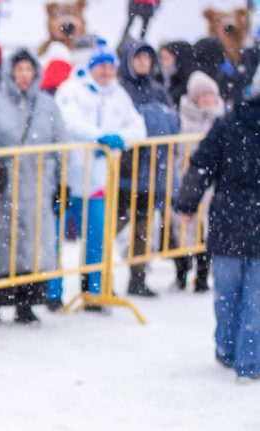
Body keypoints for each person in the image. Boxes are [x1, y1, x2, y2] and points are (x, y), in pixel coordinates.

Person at [0, 49, 66, 325]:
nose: (23, 75)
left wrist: (63, 185)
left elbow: (62, 147)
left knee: (32, 248)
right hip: (2, 188)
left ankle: (26, 304)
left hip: (37, 187)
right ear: (10, 72)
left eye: (28, 70)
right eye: (19, 69)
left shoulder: (48, 106)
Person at [174, 68, 260, 381]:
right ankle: (249, 360)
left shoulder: (228, 123)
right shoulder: (228, 123)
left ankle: (226, 348)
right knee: (256, 297)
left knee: (226, 292)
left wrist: (187, 203)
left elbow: (201, 165)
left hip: (228, 218)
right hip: (250, 219)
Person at [50, 40, 145, 312]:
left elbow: (139, 128)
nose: (105, 71)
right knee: (53, 239)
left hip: (98, 181)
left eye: (109, 66)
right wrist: (98, 138)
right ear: (91, 66)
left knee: (97, 238)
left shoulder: (119, 95)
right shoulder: (72, 89)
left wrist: (118, 140)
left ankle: (95, 289)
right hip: (65, 178)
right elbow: (68, 122)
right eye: (100, 65)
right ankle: (51, 290)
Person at [116, 39, 178, 298]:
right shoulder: (120, 90)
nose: (143, 62)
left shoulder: (158, 91)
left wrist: (146, 117)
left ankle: (138, 277)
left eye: (147, 58)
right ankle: (98, 276)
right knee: (113, 226)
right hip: (123, 171)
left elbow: (172, 124)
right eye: (138, 58)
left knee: (143, 228)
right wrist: (151, 118)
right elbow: (131, 125)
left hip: (150, 171)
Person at [174, 71, 224, 292]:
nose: (206, 98)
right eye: (201, 94)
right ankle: (182, 271)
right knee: (184, 227)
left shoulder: (223, 119)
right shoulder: (182, 118)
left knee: (208, 227)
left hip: (213, 183)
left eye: (209, 94)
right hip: (187, 179)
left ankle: (202, 274)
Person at [159, 41, 195, 107]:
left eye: (166, 58)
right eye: (161, 57)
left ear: (177, 59)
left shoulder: (186, 85)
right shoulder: (158, 78)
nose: (162, 61)